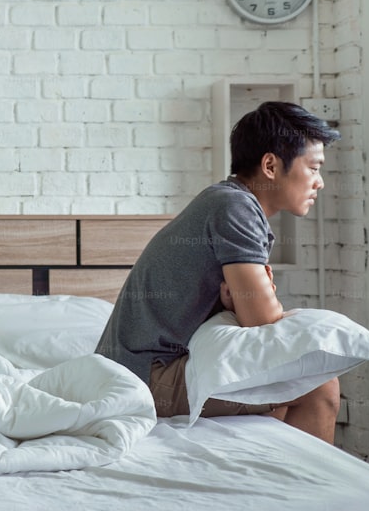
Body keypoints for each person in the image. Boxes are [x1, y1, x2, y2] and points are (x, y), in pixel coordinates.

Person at [95, 101, 342, 443]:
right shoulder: (235, 208)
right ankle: (320, 495)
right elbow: (263, 321)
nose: (320, 183)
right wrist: (246, 305)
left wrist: (236, 304)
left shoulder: (227, 202)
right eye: (314, 168)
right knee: (317, 384)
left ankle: (278, 484)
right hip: (141, 378)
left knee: (279, 400)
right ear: (270, 165)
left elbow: (252, 314)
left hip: (132, 370)